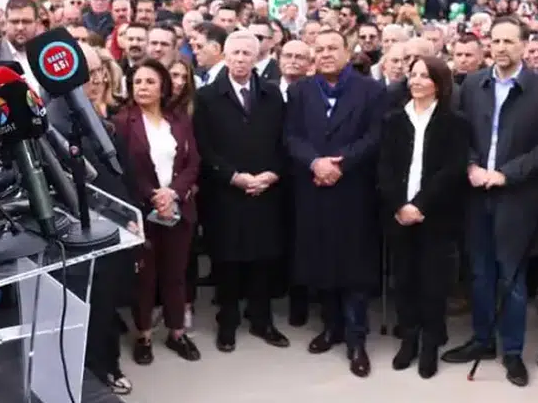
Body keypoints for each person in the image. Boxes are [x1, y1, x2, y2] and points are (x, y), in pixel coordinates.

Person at [442, 17, 538, 387]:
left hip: (517, 195)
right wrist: (471, 166)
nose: (501, 48)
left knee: (511, 276)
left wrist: (506, 174)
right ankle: (482, 340)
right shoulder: (472, 85)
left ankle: (512, 350)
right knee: (480, 273)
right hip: (476, 191)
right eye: (495, 41)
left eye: (509, 41)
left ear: (524, 45)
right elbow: (460, 133)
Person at [285, 28, 386, 377]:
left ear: (347, 52)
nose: (326, 54)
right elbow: (291, 136)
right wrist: (315, 162)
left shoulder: (371, 90)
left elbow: (376, 136)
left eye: (333, 48)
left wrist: (341, 164)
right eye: (320, 48)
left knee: (354, 266)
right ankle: (331, 327)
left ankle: (357, 338)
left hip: (353, 189)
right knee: (322, 261)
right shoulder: (300, 91)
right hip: (314, 187)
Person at [193, 30, 289, 353]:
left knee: (263, 259)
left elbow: (283, 140)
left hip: (266, 190)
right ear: (224, 56)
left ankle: (262, 320)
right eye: (234, 53)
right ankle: (228, 321)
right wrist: (233, 177)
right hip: (226, 192)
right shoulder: (207, 97)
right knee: (228, 261)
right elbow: (204, 147)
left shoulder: (271, 94)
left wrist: (272, 174)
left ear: (256, 57)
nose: (240, 59)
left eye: (247, 54)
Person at [376, 56, 469, 377]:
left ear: (438, 84)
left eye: (424, 76)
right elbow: (385, 168)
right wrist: (400, 205)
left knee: (433, 283)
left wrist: (421, 205)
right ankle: (409, 339)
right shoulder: (393, 120)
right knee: (404, 280)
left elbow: (452, 170)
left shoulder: (454, 122)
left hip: (436, 216)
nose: (415, 81)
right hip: (399, 215)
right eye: (412, 75)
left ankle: (430, 342)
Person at [112, 58, 201, 365]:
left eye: (150, 81)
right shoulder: (122, 122)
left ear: (163, 86)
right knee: (145, 278)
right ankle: (144, 335)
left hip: (178, 208)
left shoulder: (179, 119)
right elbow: (124, 170)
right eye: (137, 82)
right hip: (142, 212)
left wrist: (173, 192)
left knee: (175, 275)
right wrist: (153, 196)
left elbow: (193, 163)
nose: (143, 87)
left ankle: (177, 332)